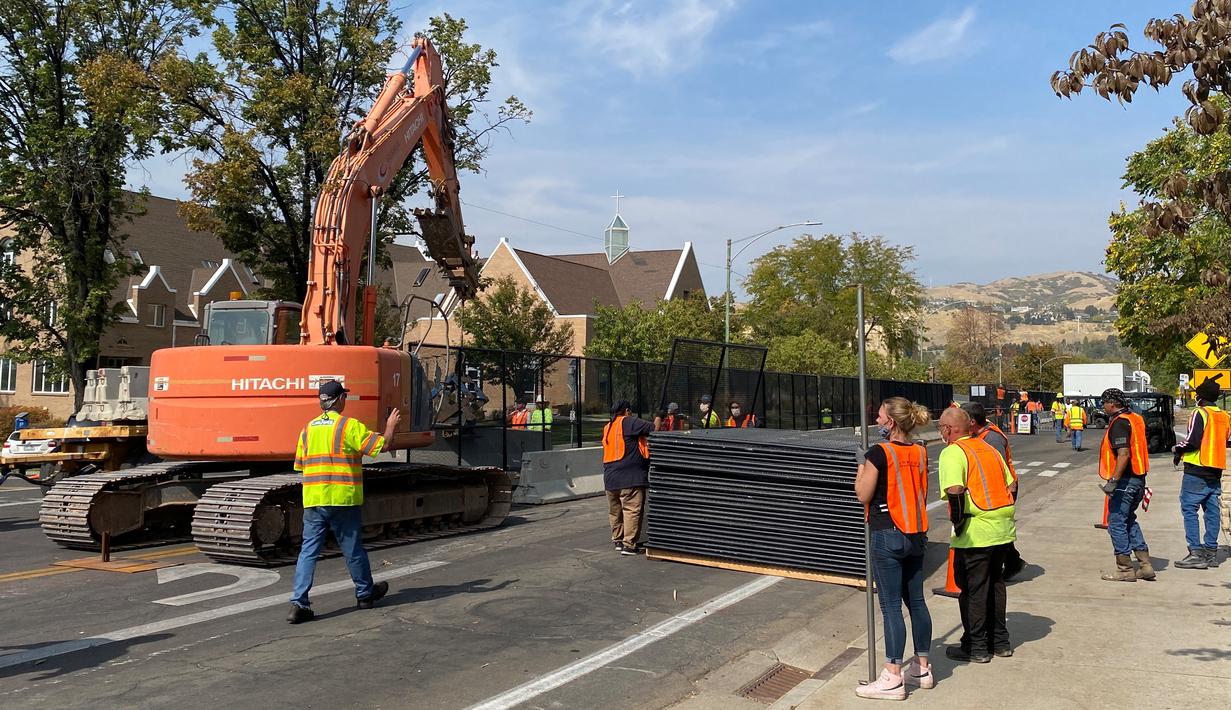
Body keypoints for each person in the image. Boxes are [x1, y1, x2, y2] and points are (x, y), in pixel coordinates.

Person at [288, 380, 400, 623]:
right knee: (352, 549)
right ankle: (364, 594)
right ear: (339, 400)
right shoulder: (349, 427)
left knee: (308, 552)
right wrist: (390, 426)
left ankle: (299, 603)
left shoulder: (308, 429)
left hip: (314, 499)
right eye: (344, 397)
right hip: (342, 499)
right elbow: (384, 445)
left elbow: (300, 464)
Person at [853, 397, 934, 700]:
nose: (876, 419)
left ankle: (893, 675)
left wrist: (862, 465)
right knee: (916, 602)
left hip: (887, 532)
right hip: (915, 532)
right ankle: (922, 668)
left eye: (880, 415)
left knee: (890, 607)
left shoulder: (878, 453)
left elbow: (863, 494)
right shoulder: (921, 451)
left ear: (891, 422)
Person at [937, 407, 1017, 663]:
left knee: (972, 590)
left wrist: (959, 522)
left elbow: (955, 489)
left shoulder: (953, 452)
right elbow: (1011, 484)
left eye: (941, 427)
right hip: (1002, 528)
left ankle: (976, 646)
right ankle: (1000, 642)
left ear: (949, 429)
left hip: (976, 531)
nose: (940, 431)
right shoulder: (989, 449)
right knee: (995, 584)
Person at [963, 402, 1028, 581]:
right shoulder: (981, 433)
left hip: (1001, 489)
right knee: (997, 529)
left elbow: (997, 469)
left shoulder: (992, 438)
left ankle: (1008, 563)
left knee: (996, 529)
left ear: (973, 421)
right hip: (994, 488)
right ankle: (1013, 561)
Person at [1096, 388, 1155, 582]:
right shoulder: (1135, 418)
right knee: (1129, 519)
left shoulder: (1119, 423)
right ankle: (1145, 565)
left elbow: (1124, 454)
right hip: (1139, 479)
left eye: (1104, 403)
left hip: (1125, 481)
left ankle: (1125, 569)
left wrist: (1113, 481)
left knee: (1116, 522)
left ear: (1112, 404)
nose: (1103, 406)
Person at [1172, 379, 1229, 569]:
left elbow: (1192, 441)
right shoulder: (1224, 415)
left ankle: (1195, 552)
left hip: (1197, 468)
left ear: (1200, 397)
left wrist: (1177, 449)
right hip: (1216, 470)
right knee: (1212, 511)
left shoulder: (1199, 413)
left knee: (1189, 510)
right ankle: (1211, 553)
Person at [603, 400, 653, 556]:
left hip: (611, 479)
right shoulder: (629, 421)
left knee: (615, 511)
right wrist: (659, 416)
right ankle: (629, 545)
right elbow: (653, 428)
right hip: (630, 477)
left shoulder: (608, 427)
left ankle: (618, 540)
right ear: (626, 410)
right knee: (631, 510)